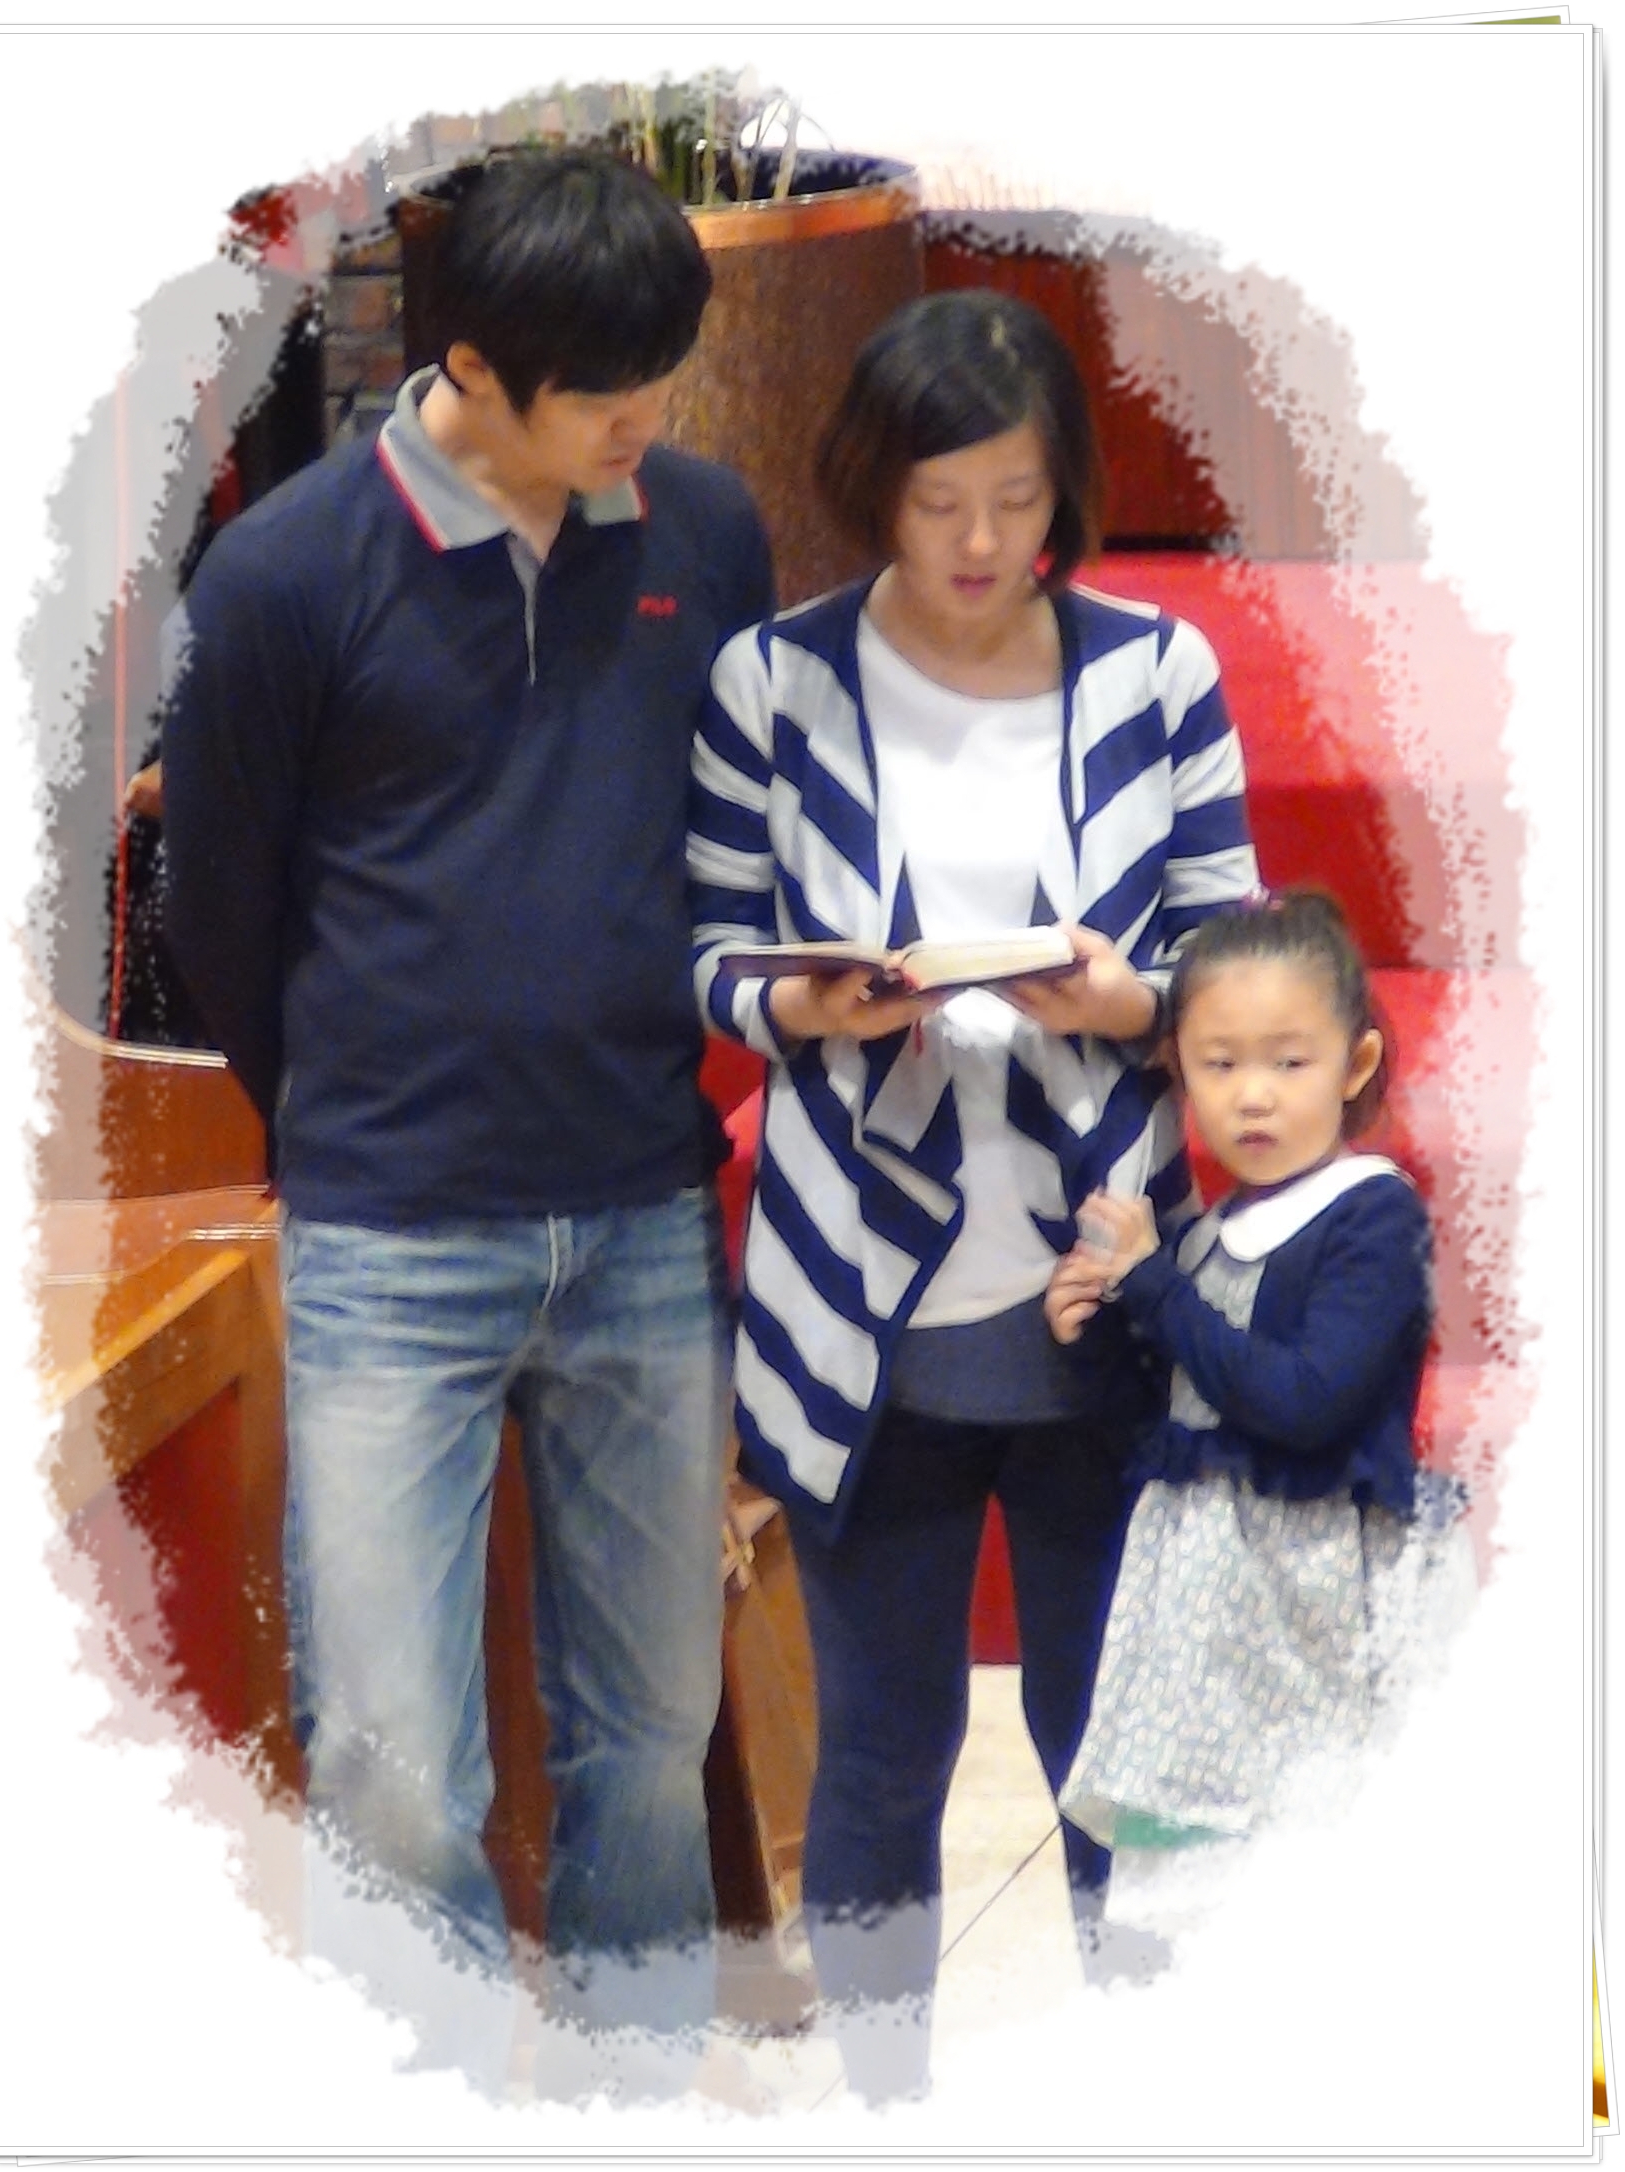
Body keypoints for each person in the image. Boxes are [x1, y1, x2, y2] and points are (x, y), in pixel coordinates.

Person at [161, 150, 775, 2099]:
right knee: (389, 1765)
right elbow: (216, 913)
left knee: (649, 1739)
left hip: (641, 1210)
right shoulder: (282, 576)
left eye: (661, 376)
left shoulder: (701, 527)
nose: (642, 422)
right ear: (475, 369)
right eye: (602, 392)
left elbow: (728, 826)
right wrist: (356, 1111)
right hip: (388, 1235)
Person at [687, 288, 1258, 2099]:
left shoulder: (1153, 674)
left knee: (1116, 1749)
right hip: (860, 1296)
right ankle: (886, 2103)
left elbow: (1239, 956)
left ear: (1064, 486)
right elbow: (706, 951)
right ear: (873, 486)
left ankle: (1144, 2095)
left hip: (1104, 1282)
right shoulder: (772, 680)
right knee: (879, 1751)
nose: (979, 542)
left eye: (1015, 498)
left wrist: (1129, 1003)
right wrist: (804, 1003)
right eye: (938, 502)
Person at [1048, 889, 1467, 1941]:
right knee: (1197, 1905)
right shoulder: (1202, 1235)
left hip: (1313, 1612)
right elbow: (1172, 1417)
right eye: (1219, 1063)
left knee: (1321, 1894)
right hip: (1202, 1633)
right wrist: (1094, 1325)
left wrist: (1152, 1289)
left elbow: (1304, 1403)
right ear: (1177, 1069)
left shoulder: (1371, 1215)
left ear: (1355, 1065)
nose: (1253, 1095)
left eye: (1288, 1061)